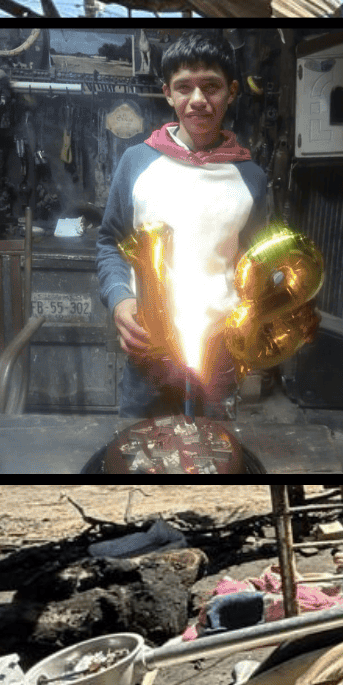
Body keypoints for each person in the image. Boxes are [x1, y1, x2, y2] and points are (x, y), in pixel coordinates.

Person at [94, 30, 267, 419]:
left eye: (211, 87)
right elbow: (110, 243)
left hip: (218, 358)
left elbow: (251, 264)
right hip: (148, 357)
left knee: (212, 464)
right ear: (168, 94)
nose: (198, 100)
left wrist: (255, 320)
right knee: (143, 464)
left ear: (233, 91)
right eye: (184, 88)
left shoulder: (251, 177)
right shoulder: (136, 163)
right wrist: (121, 300)